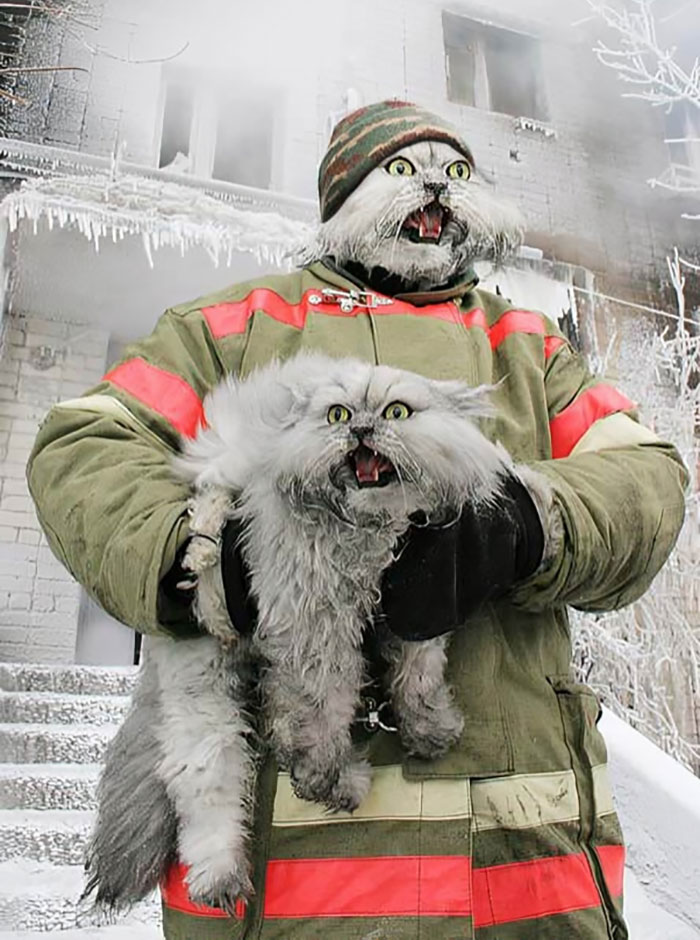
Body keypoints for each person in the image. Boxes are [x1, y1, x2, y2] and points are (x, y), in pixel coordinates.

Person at [27, 100, 687, 940]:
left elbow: (647, 476)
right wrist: (209, 560)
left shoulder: (528, 348)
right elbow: (82, 445)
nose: (434, 199)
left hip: (521, 880)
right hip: (284, 907)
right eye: (405, 177)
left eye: (455, 179)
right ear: (346, 195)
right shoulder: (236, 326)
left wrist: (522, 523)